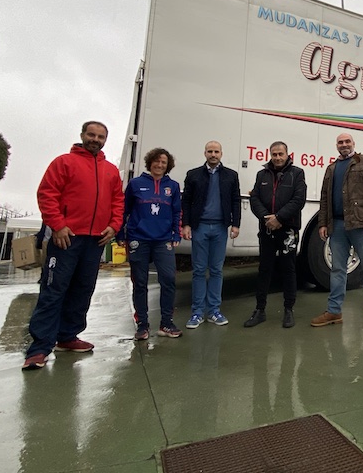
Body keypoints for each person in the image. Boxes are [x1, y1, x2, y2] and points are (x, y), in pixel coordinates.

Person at [22, 121, 124, 370]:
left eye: (101, 136)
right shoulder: (63, 162)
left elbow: (118, 201)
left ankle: (67, 337)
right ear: (82, 135)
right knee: (53, 290)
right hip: (67, 238)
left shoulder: (111, 170)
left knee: (82, 289)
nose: (96, 139)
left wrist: (114, 226)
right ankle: (39, 348)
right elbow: (47, 194)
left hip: (96, 240)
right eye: (92, 134)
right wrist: (57, 225)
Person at [310, 132, 363, 334]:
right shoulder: (331, 168)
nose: (344, 145)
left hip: (361, 225)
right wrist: (323, 223)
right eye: (340, 142)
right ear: (336, 145)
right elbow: (325, 198)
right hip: (337, 226)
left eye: (347, 142)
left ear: (353, 144)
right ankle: (334, 311)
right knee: (337, 270)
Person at [118, 148, 183, 340]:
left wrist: (176, 234)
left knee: (169, 279)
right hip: (139, 238)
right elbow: (124, 209)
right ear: (150, 162)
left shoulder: (173, 186)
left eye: (163, 162)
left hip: (163, 240)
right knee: (140, 283)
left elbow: (177, 212)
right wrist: (121, 233)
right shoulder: (136, 184)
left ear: (168, 165)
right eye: (156, 161)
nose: (159, 165)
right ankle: (142, 325)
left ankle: (166, 323)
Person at [245, 141, 307, 328]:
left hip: (288, 229)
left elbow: (299, 199)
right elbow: (254, 198)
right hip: (267, 229)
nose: (277, 157)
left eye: (281, 154)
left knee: (288, 269)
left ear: (288, 154)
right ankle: (260, 310)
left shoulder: (297, 173)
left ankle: (289, 310)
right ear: (270, 155)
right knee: (265, 269)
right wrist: (266, 218)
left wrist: (279, 218)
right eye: (274, 154)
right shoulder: (261, 174)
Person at [181, 140, 241, 328]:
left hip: (220, 229)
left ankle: (214, 311)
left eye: (216, 151)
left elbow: (235, 201)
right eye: (210, 151)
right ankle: (197, 312)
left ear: (221, 154)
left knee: (216, 270)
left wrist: (236, 224)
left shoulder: (231, 176)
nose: (213, 154)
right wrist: (186, 224)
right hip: (200, 227)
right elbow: (186, 201)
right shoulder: (193, 175)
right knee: (199, 270)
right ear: (204, 153)